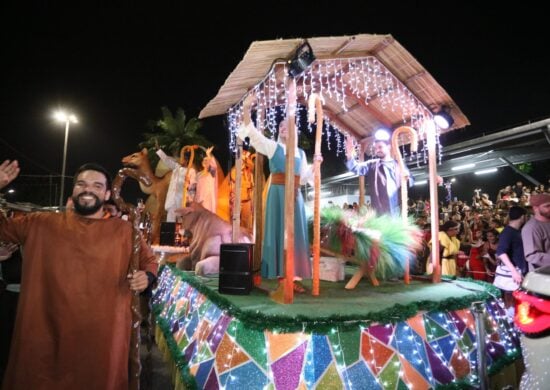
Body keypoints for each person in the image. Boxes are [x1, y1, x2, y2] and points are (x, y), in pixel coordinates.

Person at [0, 162, 158, 389]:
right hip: (45, 336)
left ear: (107, 194)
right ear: (73, 190)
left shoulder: (125, 232)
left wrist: (146, 277)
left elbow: (150, 262)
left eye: (96, 186)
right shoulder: (40, 223)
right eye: (81, 184)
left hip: (101, 341)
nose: (87, 189)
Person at [237, 94, 315, 293]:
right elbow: (254, 135)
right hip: (278, 194)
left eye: (286, 126)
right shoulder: (273, 147)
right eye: (280, 126)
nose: (282, 128)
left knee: (295, 234)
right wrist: (247, 109)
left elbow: (304, 177)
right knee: (279, 232)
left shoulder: (301, 153)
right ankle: (281, 276)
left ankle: (293, 275)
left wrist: (316, 167)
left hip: (295, 195)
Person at [344, 129, 412, 217]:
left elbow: (410, 180)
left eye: (380, 147)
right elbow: (355, 168)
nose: (377, 150)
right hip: (379, 214)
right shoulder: (372, 164)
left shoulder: (399, 165)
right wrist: (349, 155)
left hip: (396, 212)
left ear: (389, 146)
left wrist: (407, 177)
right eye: (375, 148)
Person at [494, 206, 527, 317]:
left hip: (517, 272)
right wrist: (514, 271)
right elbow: (501, 252)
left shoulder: (516, 231)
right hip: (511, 275)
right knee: (511, 306)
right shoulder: (508, 232)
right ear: (522, 217)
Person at [156, 147, 197, 222]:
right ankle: (170, 233)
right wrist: (159, 151)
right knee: (170, 222)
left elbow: (193, 187)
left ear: (187, 160)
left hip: (181, 201)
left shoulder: (191, 171)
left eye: (183, 159)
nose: (181, 160)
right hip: (172, 201)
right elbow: (166, 160)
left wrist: (190, 200)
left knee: (180, 224)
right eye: (181, 158)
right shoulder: (176, 167)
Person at [522, 193, 550, 270]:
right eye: (547, 206)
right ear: (535, 208)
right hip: (544, 276)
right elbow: (532, 256)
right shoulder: (531, 228)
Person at [194, 146, 218, 214]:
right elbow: (193, 187)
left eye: (207, 160)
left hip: (208, 200)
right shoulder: (198, 174)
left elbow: (214, 166)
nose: (205, 161)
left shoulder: (212, 173)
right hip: (199, 199)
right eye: (204, 160)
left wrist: (208, 154)